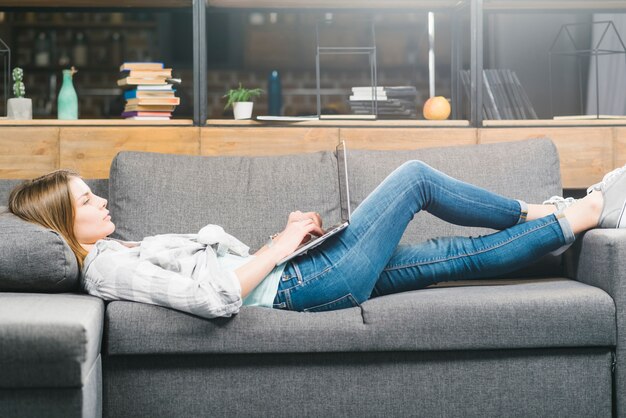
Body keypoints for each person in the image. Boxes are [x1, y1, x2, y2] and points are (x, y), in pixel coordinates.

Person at [7, 160, 621, 318]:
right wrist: (281, 245)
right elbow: (215, 299)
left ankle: (582, 217)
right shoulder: (106, 269)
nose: (104, 200)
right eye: (88, 199)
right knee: (415, 181)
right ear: (63, 222)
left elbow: (218, 277)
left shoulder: (116, 253)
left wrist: (280, 245)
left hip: (302, 274)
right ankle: (567, 206)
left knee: (446, 256)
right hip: (303, 283)